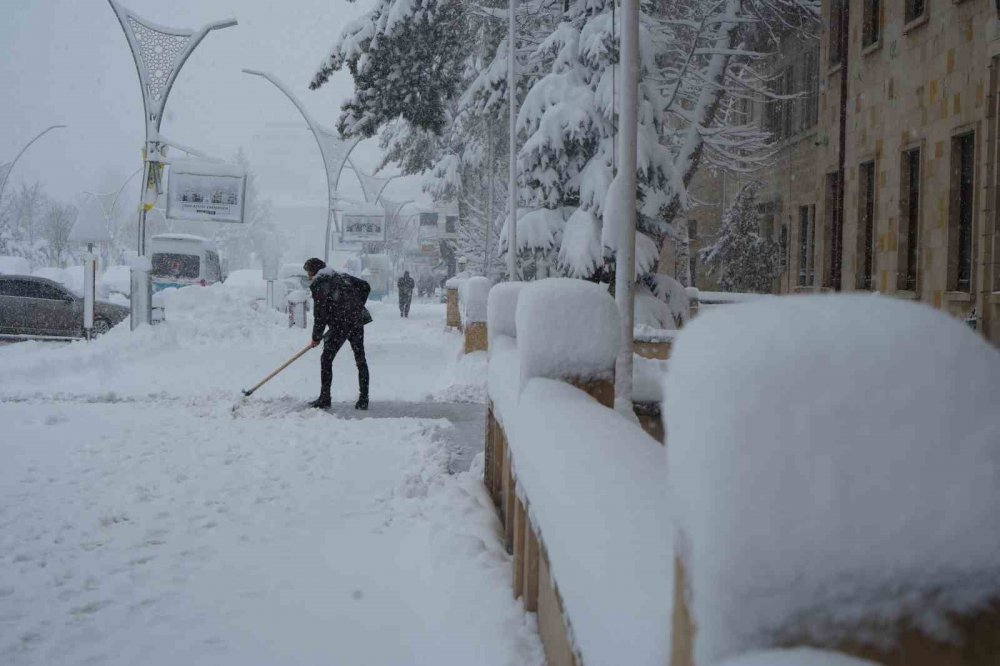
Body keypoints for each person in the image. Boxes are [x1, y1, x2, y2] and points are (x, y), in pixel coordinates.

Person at [303, 258, 372, 410]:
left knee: (326, 359)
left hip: (341, 324)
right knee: (360, 359)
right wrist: (357, 306)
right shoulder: (342, 276)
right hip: (356, 320)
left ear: (314, 271)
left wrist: (316, 337)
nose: (308, 276)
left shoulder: (319, 284)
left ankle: (325, 398)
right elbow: (365, 286)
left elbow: (320, 315)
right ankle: (364, 398)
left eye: (308, 272)